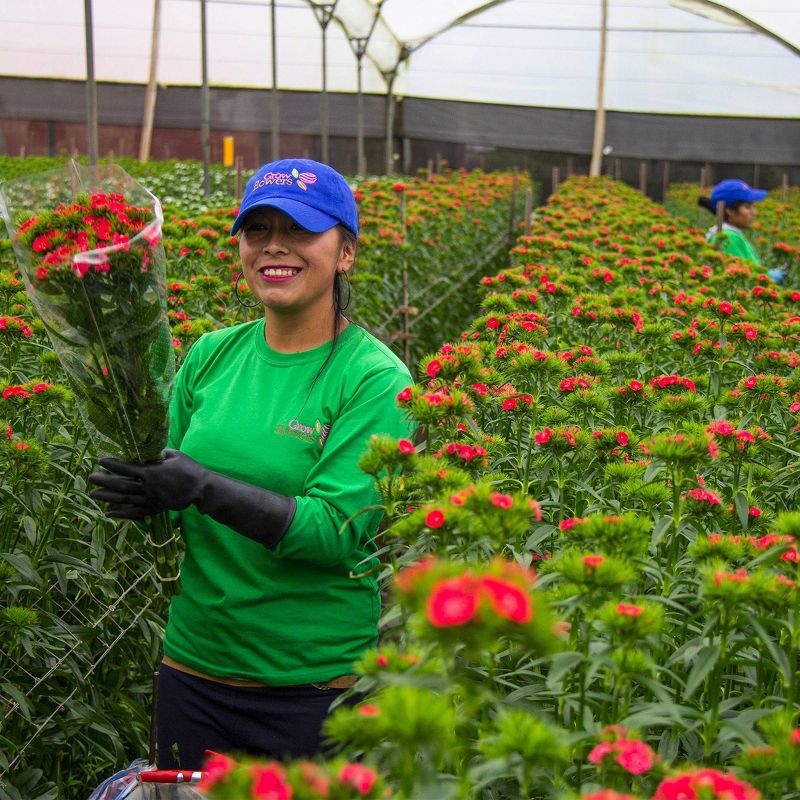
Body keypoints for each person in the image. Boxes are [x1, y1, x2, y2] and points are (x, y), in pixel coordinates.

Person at [88, 159, 413, 769]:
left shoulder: (374, 379)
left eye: (299, 231)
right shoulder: (212, 355)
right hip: (193, 671)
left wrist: (201, 486)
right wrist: (145, 497)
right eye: (257, 230)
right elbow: (172, 485)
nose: (274, 247)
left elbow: (335, 532)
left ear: (345, 253)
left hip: (311, 691)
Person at [698, 178, 784, 283]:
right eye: (748, 207)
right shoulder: (728, 238)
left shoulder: (731, 234)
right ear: (730, 211)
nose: (754, 212)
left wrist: (765, 275)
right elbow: (740, 280)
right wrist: (767, 279)